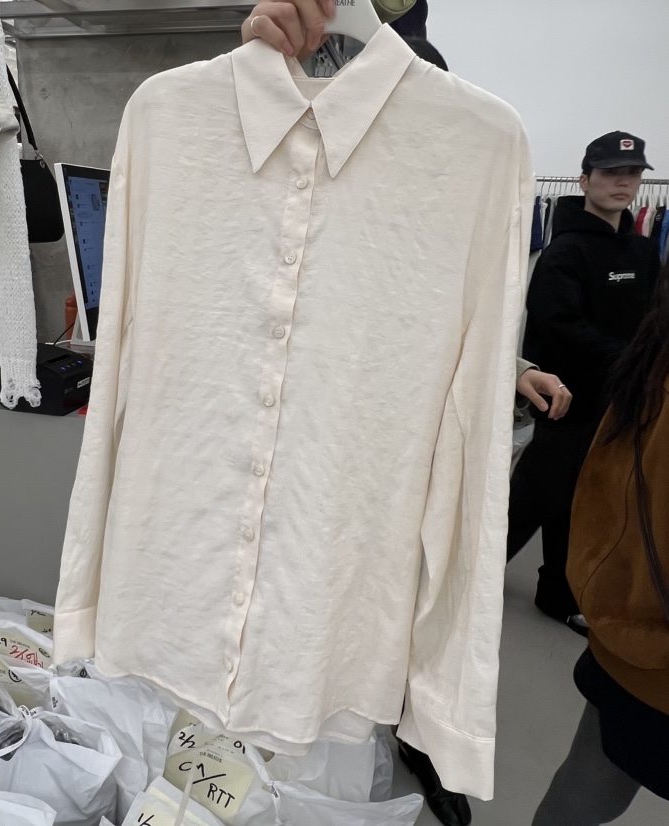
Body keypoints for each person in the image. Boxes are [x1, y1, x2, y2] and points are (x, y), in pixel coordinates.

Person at [240, 4, 569, 826]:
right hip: (300, 456)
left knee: (391, 611)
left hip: (391, 458)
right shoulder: (304, 170)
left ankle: (411, 747)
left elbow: (461, 318)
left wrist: (513, 370)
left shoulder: (456, 181)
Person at [532, 261, 669, 826]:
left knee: (589, 779)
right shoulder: (569, 251)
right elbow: (555, 320)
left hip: (634, 629)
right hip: (649, 641)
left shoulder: (653, 347)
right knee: (589, 783)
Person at [509, 132, 660, 634]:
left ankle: (558, 592)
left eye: (632, 173)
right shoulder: (565, 251)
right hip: (565, 402)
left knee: (583, 499)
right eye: (611, 173)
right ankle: (466, 576)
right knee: (533, 497)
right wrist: (629, 362)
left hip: (621, 402)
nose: (623, 182)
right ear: (584, 180)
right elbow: (558, 326)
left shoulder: (643, 252)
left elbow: (653, 321)